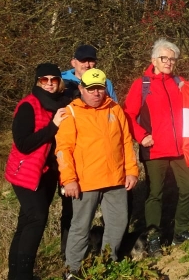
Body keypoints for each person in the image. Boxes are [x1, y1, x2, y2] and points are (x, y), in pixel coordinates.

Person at [55, 69, 139, 277]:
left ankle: (107, 263)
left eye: (99, 88)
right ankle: (73, 269)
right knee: (80, 227)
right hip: (85, 182)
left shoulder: (115, 109)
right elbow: (63, 149)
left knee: (118, 223)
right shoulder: (71, 112)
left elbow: (126, 142)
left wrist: (132, 171)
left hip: (116, 179)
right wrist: (69, 180)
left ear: (105, 88)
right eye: (91, 89)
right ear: (81, 88)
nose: (96, 93)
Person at [123, 39, 189, 255]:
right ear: (154, 60)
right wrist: (141, 136)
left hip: (180, 149)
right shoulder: (142, 84)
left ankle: (180, 232)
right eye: (163, 58)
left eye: (172, 59)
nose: (168, 62)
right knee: (155, 194)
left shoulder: (180, 82)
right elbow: (128, 114)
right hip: (154, 148)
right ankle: (154, 236)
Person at [5, 63, 69, 280]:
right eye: (44, 79)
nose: (49, 83)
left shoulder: (62, 103)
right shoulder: (28, 105)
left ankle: (15, 275)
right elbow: (23, 144)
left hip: (49, 173)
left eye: (54, 79)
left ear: (60, 81)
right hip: (26, 172)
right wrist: (53, 126)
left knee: (26, 220)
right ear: (37, 81)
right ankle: (24, 275)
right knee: (37, 218)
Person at [58, 43, 117, 260]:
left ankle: (100, 250)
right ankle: (68, 255)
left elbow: (113, 110)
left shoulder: (105, 82)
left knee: (108, 211)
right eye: (83, 61)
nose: (88, 64)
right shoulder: (61, 82)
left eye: (92, 60)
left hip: (103, 161)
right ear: (74, 62)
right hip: (72, 156)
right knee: (72, 210)